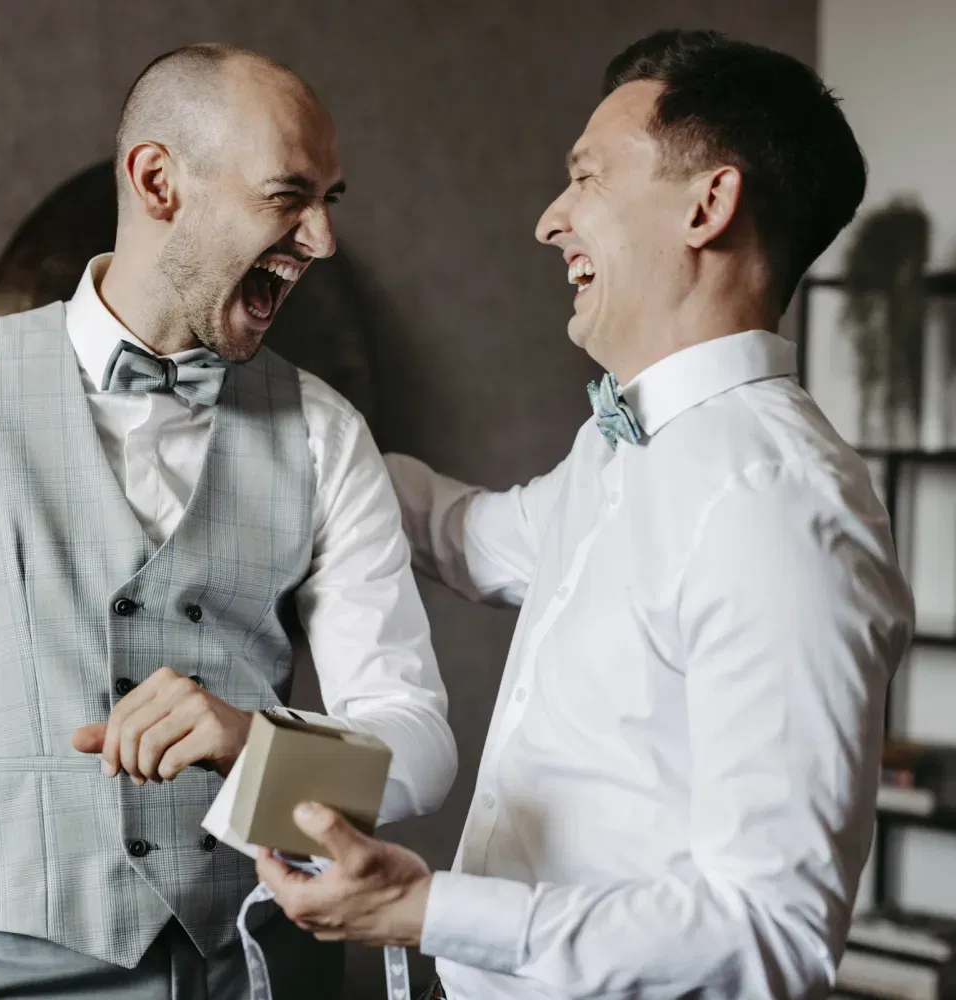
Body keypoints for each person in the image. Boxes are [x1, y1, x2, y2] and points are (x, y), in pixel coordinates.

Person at [256, 28, 916, 1000]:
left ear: (708, 203)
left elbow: (771, 931)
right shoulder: (621, 444)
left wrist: (427, 910)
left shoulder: (778, 506)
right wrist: (298, 442)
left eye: (587, 178)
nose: (548, 220)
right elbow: (470, 537)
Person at [0, 43, 456, 1000]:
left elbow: (417, 743)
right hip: (1, 974)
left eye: (329, 201)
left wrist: (252, 742)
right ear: (158, 182)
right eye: (286, 196)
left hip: (262, 965)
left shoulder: (323, 432)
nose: (321, 240)